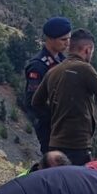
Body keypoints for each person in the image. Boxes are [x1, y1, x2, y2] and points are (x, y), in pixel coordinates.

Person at [31, 29, 97, 166]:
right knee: (76, 185)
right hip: (77, 145)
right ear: (88, 50)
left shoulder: (53, 71)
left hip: (54, 144)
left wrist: (55, 117)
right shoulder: (84, 69)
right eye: (92, 52)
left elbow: (36, 102)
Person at [23, 17, 72, 153]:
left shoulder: (62, 60)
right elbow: (32, 102)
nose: (67, 43)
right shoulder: (38, 66)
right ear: (50, 39)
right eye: (63, 39)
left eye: (69, 38)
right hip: (49, 126)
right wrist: (52, 120)